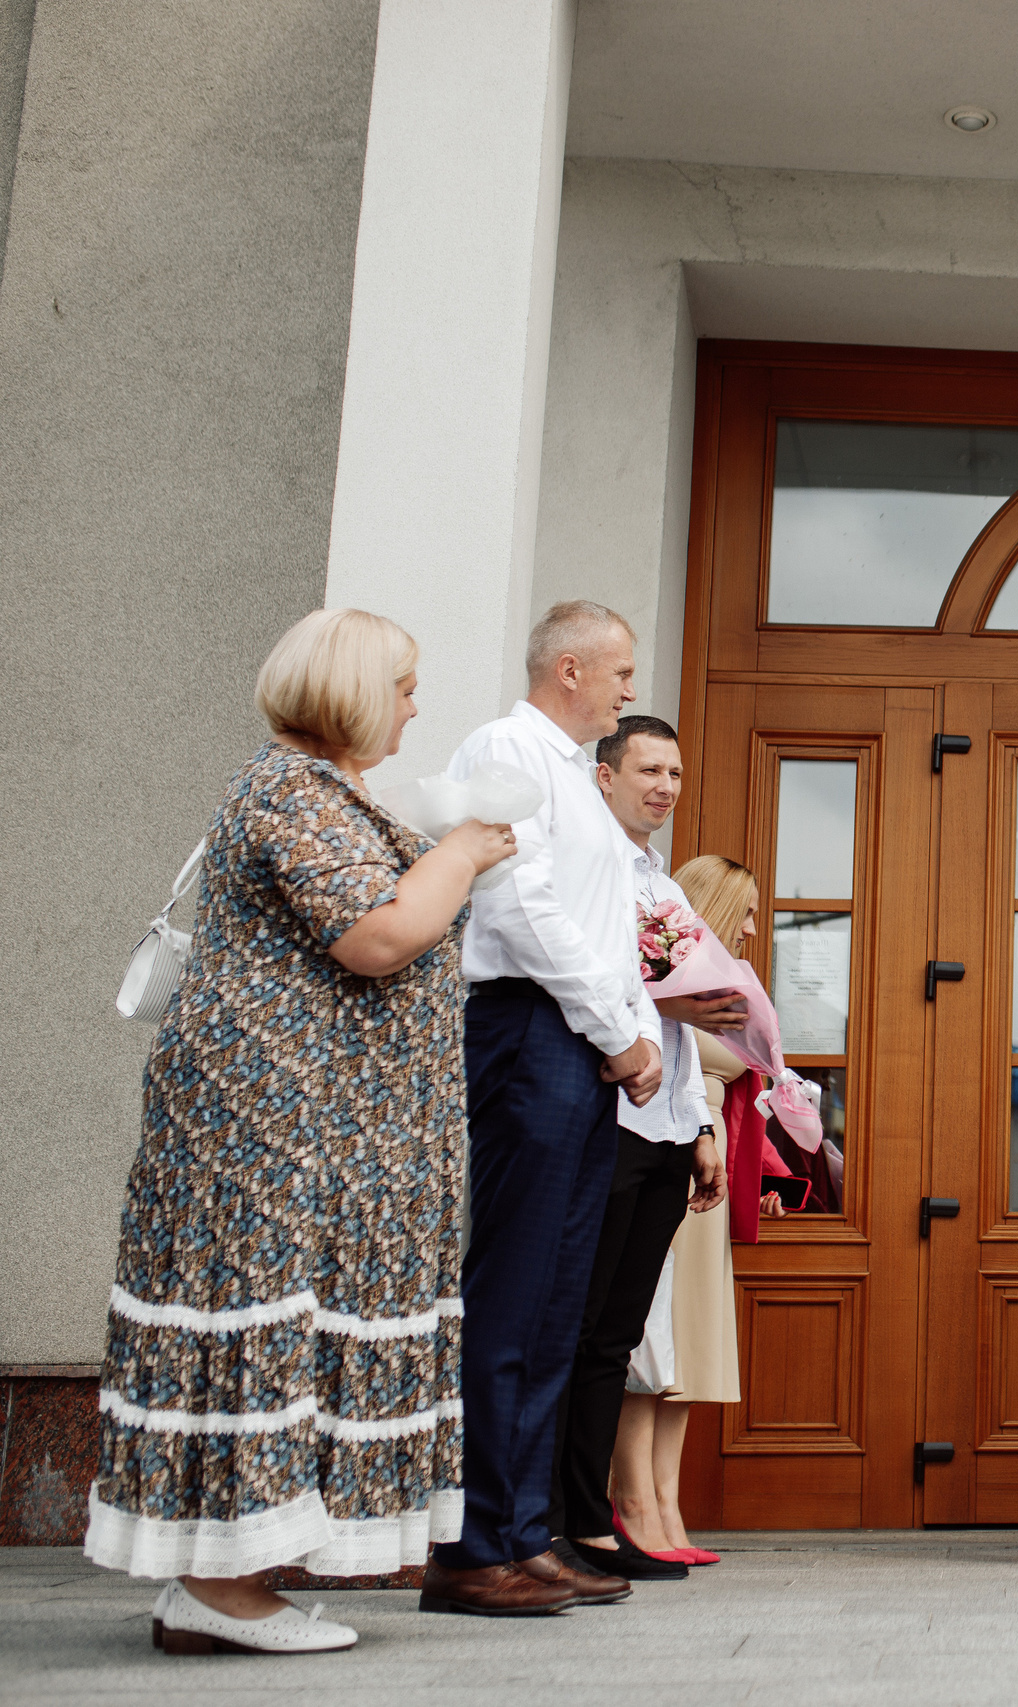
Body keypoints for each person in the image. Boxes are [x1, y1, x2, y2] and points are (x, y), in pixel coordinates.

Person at [85, 609, 513, 1654]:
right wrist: (458, 855)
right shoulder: (285, 790)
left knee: (294, 1320)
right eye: (405, 685)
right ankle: (216, 1593)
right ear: (357, 690)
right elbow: (376, 936)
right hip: (267, 1118)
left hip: (318, 1126)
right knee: (260, 1314)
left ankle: (239, 1579)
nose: (416, 704)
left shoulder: (322, 795)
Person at [422, 601, 666, 1618]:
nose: (628, 690)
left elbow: (601, 923)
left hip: (576, 1040)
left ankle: (527, 1533)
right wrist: (617, 1033)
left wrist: (621, 1028)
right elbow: (520, 906)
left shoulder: (570, 768)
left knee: (558, 1301)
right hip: (532, 1034)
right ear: (569, 668)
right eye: (618, 672)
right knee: (518, 1292)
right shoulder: (507, 747)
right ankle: (475, 1546)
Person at [555, 716, 740, 1584]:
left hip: (668, 1129)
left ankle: (597, 1521)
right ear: (605, 778)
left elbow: (685, 1024)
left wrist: (701, 1128)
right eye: (648, 769)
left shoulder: (662, 883)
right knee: (585, 1329)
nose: (664, 785)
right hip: (612, 1124)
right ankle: (577, 1520)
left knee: (617, 1335)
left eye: (674, 770)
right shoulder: (592, 870)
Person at [611, 853, 771, 1566]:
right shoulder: (667, 981)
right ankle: (633, 1497)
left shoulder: (722, 981)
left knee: (689, 1349)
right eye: (747, 908)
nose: (755, 925)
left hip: (708, 1158)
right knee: (651, 1341)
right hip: (670, 1148)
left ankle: (668, 1501)